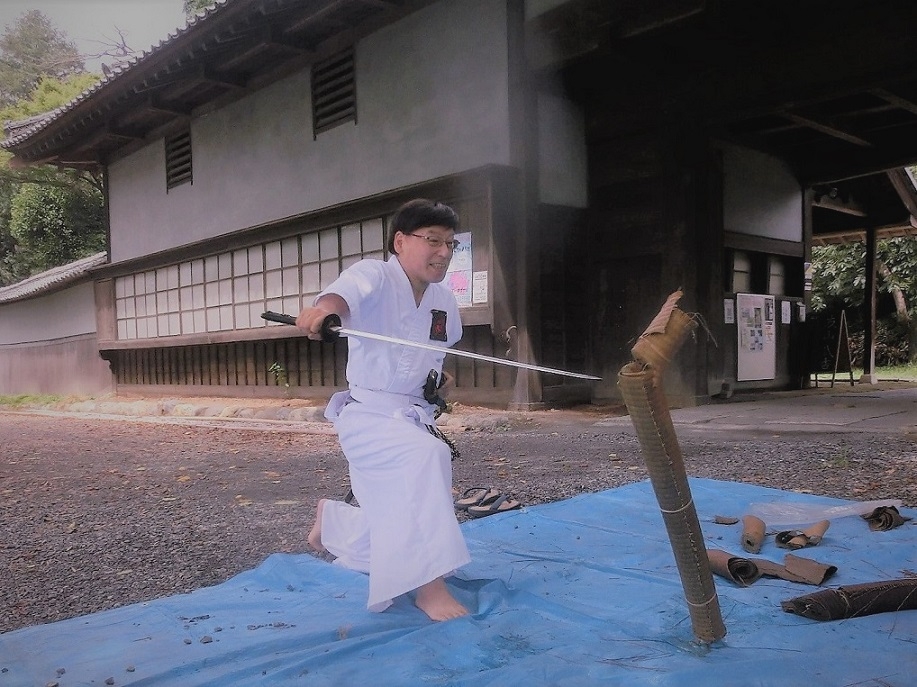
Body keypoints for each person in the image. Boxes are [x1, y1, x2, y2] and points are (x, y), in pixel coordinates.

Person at [295, 198, 470, 621]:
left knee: (408, 495)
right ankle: (430, 587)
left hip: (414, 415)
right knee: (427, 457)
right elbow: (341, 297)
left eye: (450, 244)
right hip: (368, 415)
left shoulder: (444, 299)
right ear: (400, 241)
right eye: (432, 240)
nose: (443, 252)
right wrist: (323, 312)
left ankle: (334, 523)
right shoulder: (374, 274)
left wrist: (438, 379)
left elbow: (434, 356)